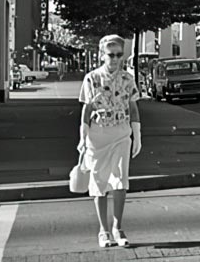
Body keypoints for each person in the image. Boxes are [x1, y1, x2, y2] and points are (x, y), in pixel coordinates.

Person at [78, 34, 142, 248]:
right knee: (99, 181)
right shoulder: (91, 78)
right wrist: (83, 135)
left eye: (118, 55)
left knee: (121, 179)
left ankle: (118, 227)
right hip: (98, 135)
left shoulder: (127, 78)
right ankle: (103, 230)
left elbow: (133, 107)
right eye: (110, 55)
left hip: (121, 133)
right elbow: (86, 109)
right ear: (102, 55)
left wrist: (137, 134)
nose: (114, 59)